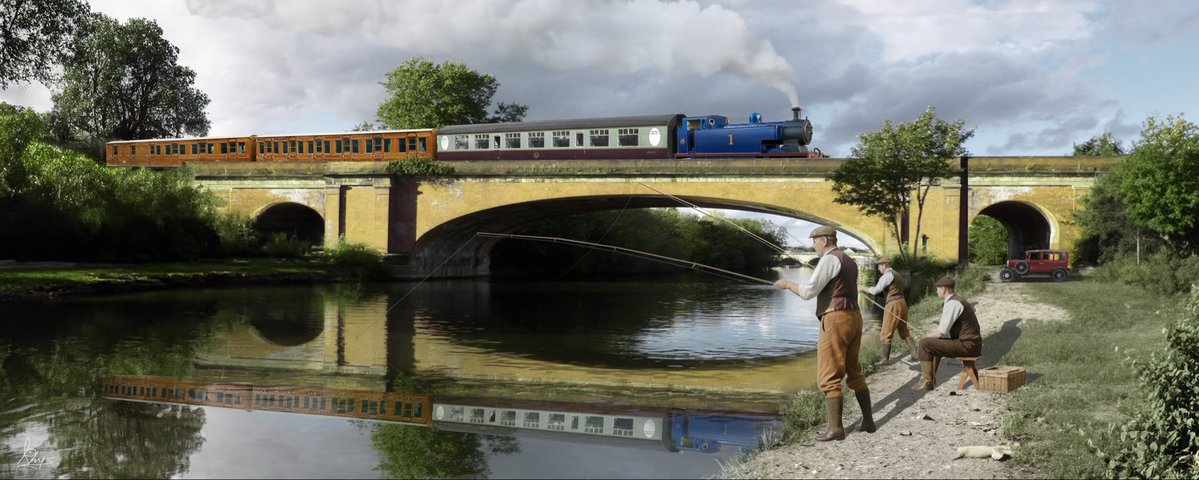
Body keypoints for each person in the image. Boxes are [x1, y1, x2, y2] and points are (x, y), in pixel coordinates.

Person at [774, 225, 875, 441]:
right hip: (854, 316)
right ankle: (868, 421)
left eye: (815, 241)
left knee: (828, 374)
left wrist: (786, 284)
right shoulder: (849, 260)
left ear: (825, 241)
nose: (813, 245)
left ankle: (836, 429)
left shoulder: (829, 259)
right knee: (853, 369)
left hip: (836, 318)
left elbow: (808, 292)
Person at [913, 275, 983, 390]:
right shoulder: (955, 300)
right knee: (932, 342)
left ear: (944, 289)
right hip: (970, 344)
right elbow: (942, 331)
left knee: (925, 343)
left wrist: (925, 337)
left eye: (937, 288)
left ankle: (927, 380)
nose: (936, 291)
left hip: (968, 345)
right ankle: (929, 380)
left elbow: (941, 332)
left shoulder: (952, 304)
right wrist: (931, 336)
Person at [857, 256, 917, 366]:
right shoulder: (897, 274)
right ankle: (914, 354)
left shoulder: (887, 275)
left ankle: (885, 360)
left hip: (893, 304)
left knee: (885, 333)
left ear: (884, 265)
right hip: (902, 303)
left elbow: (876, 291)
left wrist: (862, 288)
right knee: (904, 330)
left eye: (879, 266)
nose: (879, 268)